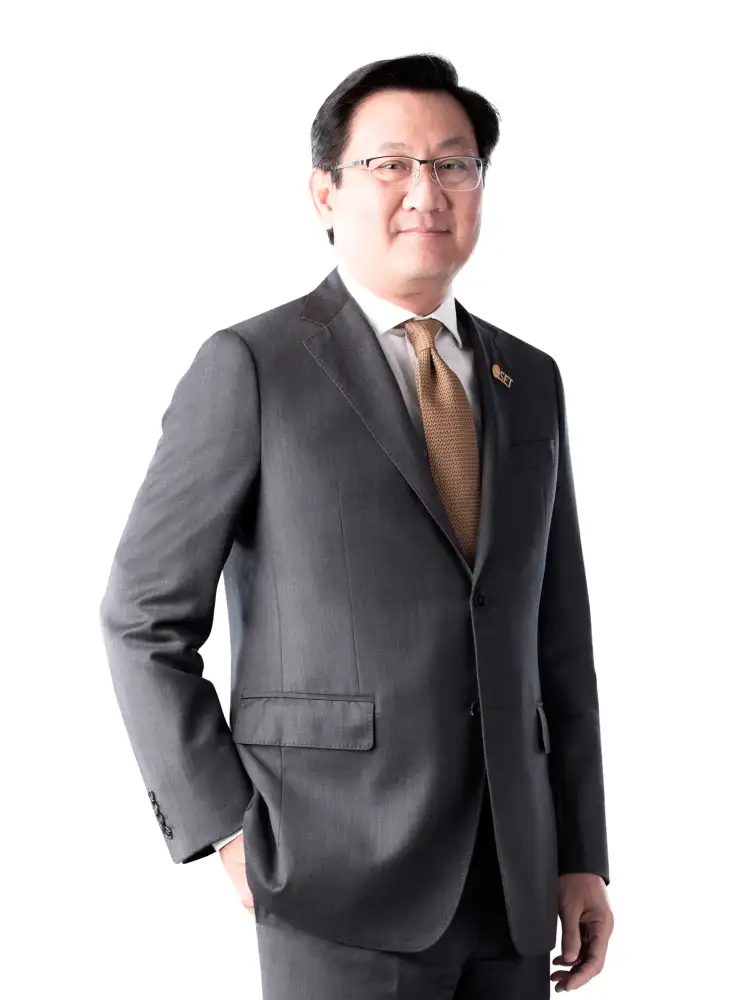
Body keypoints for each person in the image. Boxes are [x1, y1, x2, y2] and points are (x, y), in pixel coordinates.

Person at [99, 52, 614, 998]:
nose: (426, 191)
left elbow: (556, 634)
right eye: (390, 164)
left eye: (453, 164)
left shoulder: (528, 378)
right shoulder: (253, 365)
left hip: (514, 879)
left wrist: (580, 850)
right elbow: (141, 618)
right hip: (331, 872)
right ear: (325, 192)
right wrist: (225, 826)